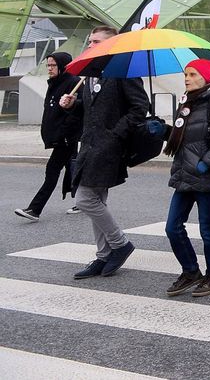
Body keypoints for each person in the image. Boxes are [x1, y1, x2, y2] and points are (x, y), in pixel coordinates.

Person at [158, 59, 210, 298]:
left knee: (208, 231)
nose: (187, 78)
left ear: (205, 77)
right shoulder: (187, 101)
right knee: (172, 228)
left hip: (206, 178)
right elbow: (183, 138)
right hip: (185, 176)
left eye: (192, 74)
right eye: (185, 74)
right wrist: (163, 130)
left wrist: (207, 162)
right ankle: (191, 271)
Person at [69, 25, 149, 279]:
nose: (90, 45)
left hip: (108, 147)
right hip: (89, 145)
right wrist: (73, 104)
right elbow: (91, 110)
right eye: (90, 41)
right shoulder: (91, 73)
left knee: (84, 199)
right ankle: (103, 256)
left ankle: (120, 244)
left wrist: (116, 134)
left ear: (110, 45)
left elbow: (140, 107)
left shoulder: (123, 73)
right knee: (96, 200)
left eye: (96, 42)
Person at [15, 51, 82, 222]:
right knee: (74, 168)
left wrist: (65, 133)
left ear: (62, 66)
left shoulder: (74, 83)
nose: (49, 69)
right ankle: (84, 200)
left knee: (52, 170)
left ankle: (35, 209)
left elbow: (78, 113)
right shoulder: (54, 83)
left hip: (66, 137)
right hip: (59, 136)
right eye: (48, 65)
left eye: (53, 65)